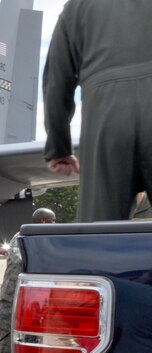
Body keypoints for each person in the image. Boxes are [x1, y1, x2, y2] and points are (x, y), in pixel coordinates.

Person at [42, 0, 152, 222]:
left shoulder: (76, 7)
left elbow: (56, 81)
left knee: (100, 234)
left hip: (105, 120)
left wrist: (58, 147)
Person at [0, 207, 56, 353]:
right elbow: (19, 260)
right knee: (7, 346)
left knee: (31, 344)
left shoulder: (45, 240)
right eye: (52, 220)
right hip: (11, 300)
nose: (55, 223)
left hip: (33, 302)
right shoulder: (22, 237)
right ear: (43, 220)